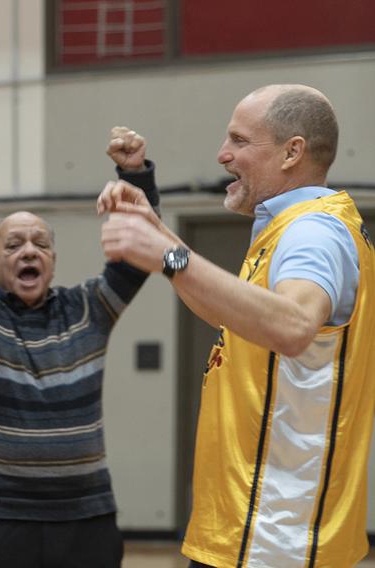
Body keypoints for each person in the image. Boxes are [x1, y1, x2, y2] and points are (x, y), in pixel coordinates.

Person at [101, 84, 375, 568]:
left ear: (293, 152)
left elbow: (292, 326)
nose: (223, 154)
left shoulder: (313, 231)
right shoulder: (290, 229)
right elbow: (239, 317)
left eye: (241, 141)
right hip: (250, 530)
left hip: (278, 539)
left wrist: (169, 256)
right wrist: (154, 227)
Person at [0, 118, 160, 567]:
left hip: (86, 518)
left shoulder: (90, 308)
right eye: (14, 245)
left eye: (40, 244)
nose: (29, 251)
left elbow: (145, 251)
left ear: (53, 260)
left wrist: (135, 176)